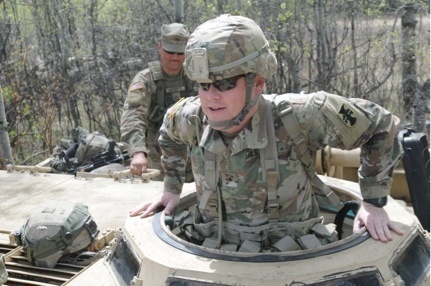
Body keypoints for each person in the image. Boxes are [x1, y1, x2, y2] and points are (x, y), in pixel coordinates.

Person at [130, 15, 404, 249]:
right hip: (213, 252)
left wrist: (373, 202)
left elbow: (382, 125)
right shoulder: (190, 117)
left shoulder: (301, 115)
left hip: (292, 254)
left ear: (257, 83)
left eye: (224, 84)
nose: (211, 97)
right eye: (203, 85)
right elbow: (168, 132)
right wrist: (172, 188)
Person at [120, 23, 196, 181]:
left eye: (180, 52)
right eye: (169, 51)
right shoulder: (146, 80)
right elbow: (133, 116)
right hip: (158, 161)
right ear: (159, 47)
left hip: (195, 158)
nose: (175, 57)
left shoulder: (195, 76)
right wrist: (138, 152)